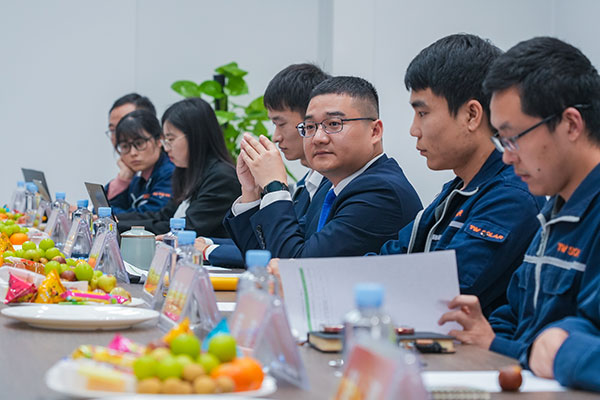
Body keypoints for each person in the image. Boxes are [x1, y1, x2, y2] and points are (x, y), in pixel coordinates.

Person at [438, 37, 600, 375]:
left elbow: (568, 346)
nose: (507, 157)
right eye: (502, 140)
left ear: (571, 124)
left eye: (513, 138)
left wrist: (508, 345)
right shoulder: (553, 213)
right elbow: (515, 317)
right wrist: (482, 332)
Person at [377, 34, 544, 316]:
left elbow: (440, 294)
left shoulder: (511, 197)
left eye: (423, 113)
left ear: (471, 115)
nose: (414, 130)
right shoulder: (458, 191)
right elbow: (393, 257)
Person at [224, 76, 423, 258]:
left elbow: (299, 270)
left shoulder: (380, 192)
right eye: (310, 127)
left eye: (334, 124)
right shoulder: (330, 188)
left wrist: (275, 186)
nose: (318, 138)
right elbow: (264, 256)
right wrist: (251, 191)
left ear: (374, 131)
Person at [196, 63, 331, 267]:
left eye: (281, 124)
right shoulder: (309, 183)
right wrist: (250, 192)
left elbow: (290, 256)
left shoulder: (335, 186)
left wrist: (275, 186)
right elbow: (266, 246)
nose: (276, 137)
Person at [117, 98, 241, 236]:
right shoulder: (187, 172)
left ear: (195, 136)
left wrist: (121, 227)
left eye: (170, 139)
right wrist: (116, 221)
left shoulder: (222, 177)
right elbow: (163, 216)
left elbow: (187, 228)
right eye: (165, 140)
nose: (166, 148)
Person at [107, 110, 175, 215]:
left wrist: (106, 214)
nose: (133, 153)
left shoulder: (170, 172)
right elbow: (104, 206)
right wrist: (123, 180)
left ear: (159, 140)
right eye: (125, 146)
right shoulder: (137, 176)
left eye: (139, 143)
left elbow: (150, 216)